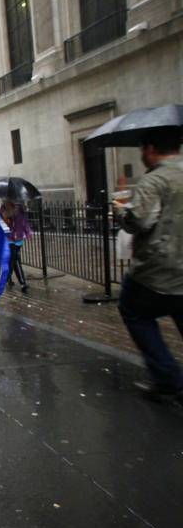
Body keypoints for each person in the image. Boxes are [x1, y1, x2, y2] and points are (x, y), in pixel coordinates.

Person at [113, 126, 183, 403]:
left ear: (150, 150)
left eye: (142, 149)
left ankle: (168, 378)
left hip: (158, 270)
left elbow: (138, 221)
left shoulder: (154, 181)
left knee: (133, 310)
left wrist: (120, 211)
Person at [0, 199, 32, 292]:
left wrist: (28, 232)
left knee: (12, 260)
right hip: (8, 240)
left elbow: (24, 222)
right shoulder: (1, 211)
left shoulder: (19, 209)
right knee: (16, 259)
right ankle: (23, 283)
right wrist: (4, 220)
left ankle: (8, 277)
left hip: (18, 239)